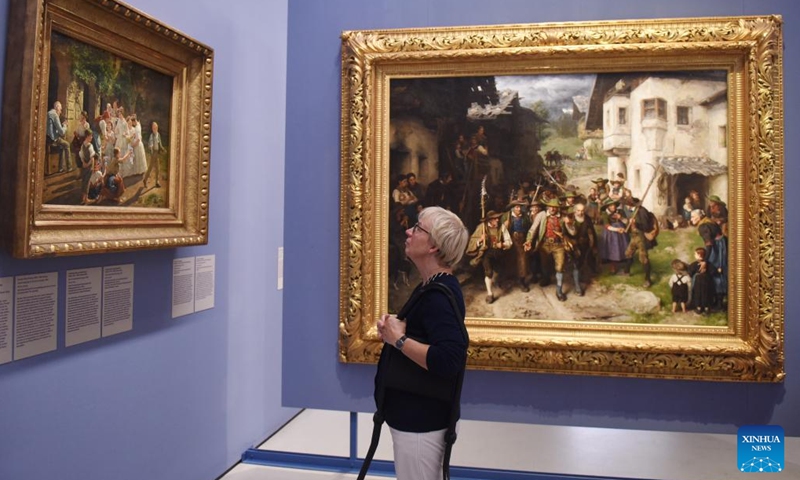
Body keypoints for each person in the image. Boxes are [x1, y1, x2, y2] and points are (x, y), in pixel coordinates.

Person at [374, 206, 469, 480]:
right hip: (417, 418)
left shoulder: (439, 294)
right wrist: (400, 330)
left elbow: (449, 359)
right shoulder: (433, 285)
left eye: (417, 228)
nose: (408, 231)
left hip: (421, 423)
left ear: (434, 247)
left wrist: (399, 339)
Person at [466, 210, 511, 304]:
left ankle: (497, 282)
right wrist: (480, 240)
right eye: (495, 219)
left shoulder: (501, 227)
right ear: (489, 220)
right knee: (489, 272)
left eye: (498, 218)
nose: (497, 220)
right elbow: (472, 241)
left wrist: (502, 244)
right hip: (487, 253)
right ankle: (490, 294)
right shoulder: (482, 227)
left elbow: (509, 241)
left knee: (500, 270)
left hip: (498, 252)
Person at [46, 100, 72, 172]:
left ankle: (60, 168)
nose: (60, 112)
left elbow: (52, 130)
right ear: (57, 107)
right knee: (67, 145)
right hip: (52, 140)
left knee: (61, 145)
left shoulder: (48, 113)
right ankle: (69, 167)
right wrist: (65, 125)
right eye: (60, 109)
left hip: (47, 138)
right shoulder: (55, 115)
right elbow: (62, 132)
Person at [144, 121, 165, 188]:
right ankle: (145, 180)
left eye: (156, 127)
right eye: (154, 128)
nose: (155, 129)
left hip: (157, 153)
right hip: (153, 154)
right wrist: (151, 148)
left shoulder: (158, 135)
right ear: (152, 128)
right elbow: (150, 144)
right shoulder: (151, 136)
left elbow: (160, 144)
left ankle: (157, 182)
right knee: (150, 168)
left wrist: (162, 149)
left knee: (158, 168)